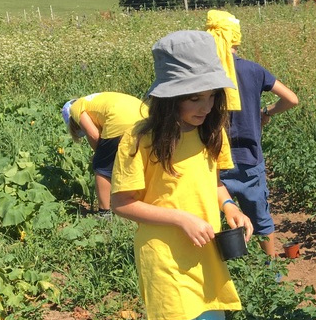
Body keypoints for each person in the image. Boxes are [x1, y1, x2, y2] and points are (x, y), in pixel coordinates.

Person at [109, 30, 254, 320]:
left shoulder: (212, 133)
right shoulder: (139, 141)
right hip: (165, 258)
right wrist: (181, 218)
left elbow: (213, 182)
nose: (206, 107)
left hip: (206, 253)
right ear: (169, 97)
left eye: (212, 96)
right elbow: (121, 203)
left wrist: (229, 206)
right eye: (195, 98)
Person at [206, 10, 300, 257]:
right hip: (250, 159)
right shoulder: (253, 70)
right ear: (236, 38)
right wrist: (266, 112)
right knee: (260, 220)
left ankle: (226, 267)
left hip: (214, 161)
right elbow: (291, 99)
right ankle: (271, 270)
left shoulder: (205, 72)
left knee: (216, 219)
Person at [61, 92, 146, 214]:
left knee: (102, 167)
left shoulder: (74, 108)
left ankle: (104, 213)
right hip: (144, 114)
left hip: (119, 120)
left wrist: (99, 154)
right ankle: (142, 203)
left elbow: (93, 134)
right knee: (136, 161)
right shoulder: (92, 102)